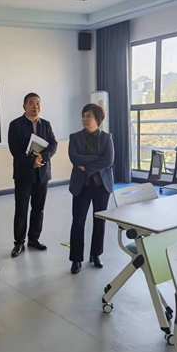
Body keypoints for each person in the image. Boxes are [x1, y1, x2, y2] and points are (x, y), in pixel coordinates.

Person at [8, 93, 58, 257]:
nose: (35, 106)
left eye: (38, 103)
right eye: (31, 103)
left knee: (38, 209)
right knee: (21, 209)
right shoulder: (15, 125)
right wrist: (31, 161)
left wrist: (43, 157)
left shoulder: (46, 124)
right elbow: (14, 149)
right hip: (24, 174)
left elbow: (53, 144)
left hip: (42, 173)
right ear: (24, 106)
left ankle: (34, 239)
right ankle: (19, 243)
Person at [68, 104, 114, 274]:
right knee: (78, 222)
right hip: (81, 185)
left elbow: (108, 160)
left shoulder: (107, 138)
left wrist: (87, 166)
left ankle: (95, 254)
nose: (85, 119)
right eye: (83, 116)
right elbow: (74, 158)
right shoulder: (75, 137)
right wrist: (96, 159)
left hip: (101, 186)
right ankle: (76, 259)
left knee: (99, 221)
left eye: (89, 116)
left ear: (98, 120)